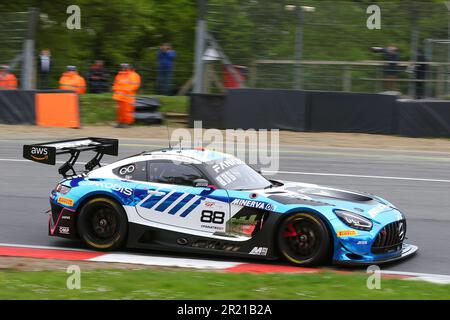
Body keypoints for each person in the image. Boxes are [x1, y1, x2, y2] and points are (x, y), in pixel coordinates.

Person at [113, 63, 141, 128]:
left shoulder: (134, 75)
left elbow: (135, 85)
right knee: (120, 110)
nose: (123, 68)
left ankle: (127, 123)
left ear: (129, 67)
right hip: (119, 97)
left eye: (124, 67)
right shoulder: (119, 75)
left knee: (127, 111)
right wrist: (115, 89)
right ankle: (120, 122)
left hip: (128, 97)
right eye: (122, 67)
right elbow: (115, 84)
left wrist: (125, 90)